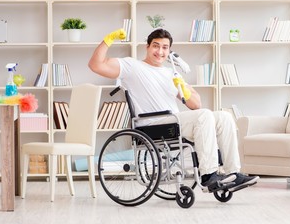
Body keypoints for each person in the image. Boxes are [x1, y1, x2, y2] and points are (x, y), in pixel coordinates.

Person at [88, 28, 259, 192]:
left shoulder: (171, 73)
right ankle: (208, 175)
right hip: (152, 125)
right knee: (205, 115)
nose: (160, 51)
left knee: (224, 117)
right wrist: (108, 39)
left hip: (175, 123)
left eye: (165, 48)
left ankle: (233, 172)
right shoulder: (131, 66)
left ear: (169, 51)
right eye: (155, 45)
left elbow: (196, 104)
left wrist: (183, 88)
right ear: (147, 47)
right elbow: (95, 65)